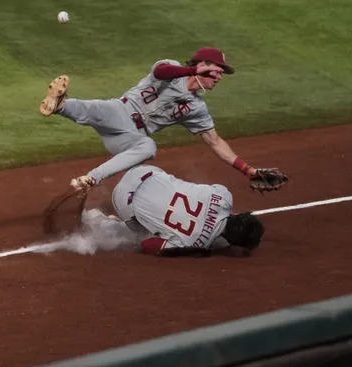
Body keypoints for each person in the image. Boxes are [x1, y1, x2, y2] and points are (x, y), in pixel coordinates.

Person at [39, 47, 268, 192]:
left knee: (148, 146)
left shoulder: (197, 107)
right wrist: (192, 72)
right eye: (218, 71)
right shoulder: (172, 68)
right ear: (203, 65)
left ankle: (89, 180)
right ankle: (60, 105)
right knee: (95, 108)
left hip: (130, 138)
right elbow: (160, 73)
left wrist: (249, 170)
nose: (219, 77)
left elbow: (215, 142)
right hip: (120, 110)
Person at [110, 163, 264, 257]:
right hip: (121, 201)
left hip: (143, 172)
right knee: (144, 232)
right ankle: (108, 224)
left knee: (178, 187)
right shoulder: (193, 243)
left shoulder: (224, 197)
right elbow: (147, 245)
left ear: (236, 214)